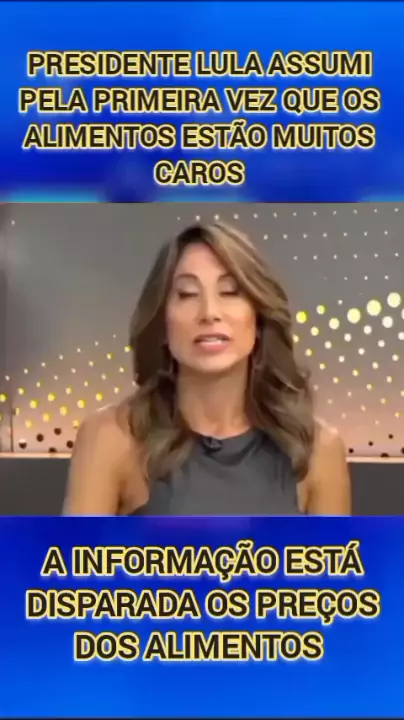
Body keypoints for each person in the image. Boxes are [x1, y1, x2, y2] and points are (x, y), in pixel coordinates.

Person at [64, 221, 351, 516]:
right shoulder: (109, 438)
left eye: (230, 291)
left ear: (258, 317)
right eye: (187, 294)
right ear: (162, 322)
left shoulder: (319, 451)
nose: (210, 313)